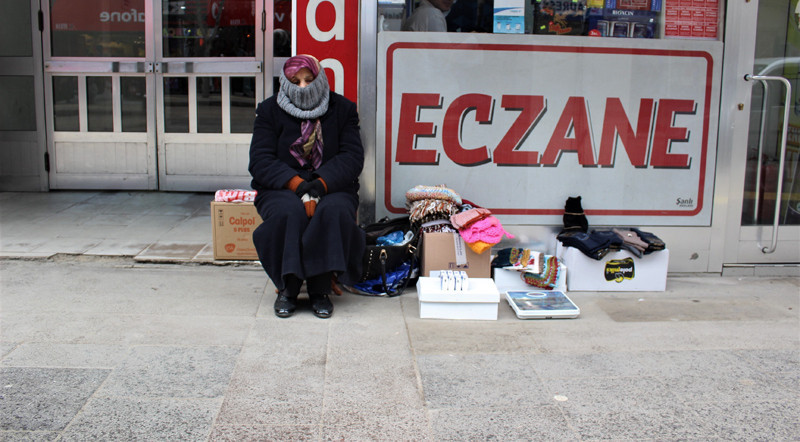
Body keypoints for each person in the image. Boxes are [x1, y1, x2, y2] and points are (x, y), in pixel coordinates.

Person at [249, 54, 365, 319]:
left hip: (333, 186)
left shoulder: (343, 109)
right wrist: (299, 185)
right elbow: (260, 160)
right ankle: (287, 288)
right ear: (285, 83)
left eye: (309, 80)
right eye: (295, 81)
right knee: (288, 212)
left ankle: (319, 288)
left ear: (320, 79)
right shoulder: (268, 111)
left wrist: (320, 185)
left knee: (333, 212)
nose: (303, 87)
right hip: (281, 186)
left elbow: (352, 157)